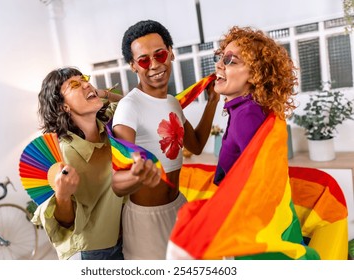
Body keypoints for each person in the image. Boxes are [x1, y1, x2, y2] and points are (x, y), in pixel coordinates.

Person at [112, 20, 220, 259]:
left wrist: (212, 102)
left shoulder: (171, 102)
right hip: (145, 220)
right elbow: (116, 182)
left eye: (160, 54)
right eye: (143, 60)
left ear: (170, 52)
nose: (154, 65)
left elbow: (197, 145)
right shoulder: (128, 108)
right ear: (133, 66)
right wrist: (135, 175)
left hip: (178, 207)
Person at [32, 67, 161, 260]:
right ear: (63, 107)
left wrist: (99, 93)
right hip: (95, 251)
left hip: (127, 235)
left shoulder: (109, 127)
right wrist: (62, 195)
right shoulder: (62, 156)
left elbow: (130, 103)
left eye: (84, 79)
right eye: (74, 85)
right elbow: (65, 223)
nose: (86, 84)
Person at [213, 26, 297, 186]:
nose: (218, 65)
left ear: (255, 74)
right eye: (221, 57)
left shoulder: (247, 115)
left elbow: (257, 182)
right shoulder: (242, 109)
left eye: (229, 60)